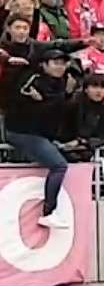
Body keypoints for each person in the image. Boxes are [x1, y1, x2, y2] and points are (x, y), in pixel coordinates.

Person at [1, 46, 79, 229]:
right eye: (55, 63)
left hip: (42, 134)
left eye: (63, 63)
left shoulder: (61, 82)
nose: (60, 67)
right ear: (44, 65)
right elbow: (35, 110)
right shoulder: (33, 80)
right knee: (59, 165)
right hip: (21, 131)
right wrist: (63, 96)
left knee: (71, 155)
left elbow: (57, 109)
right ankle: (49, 212)